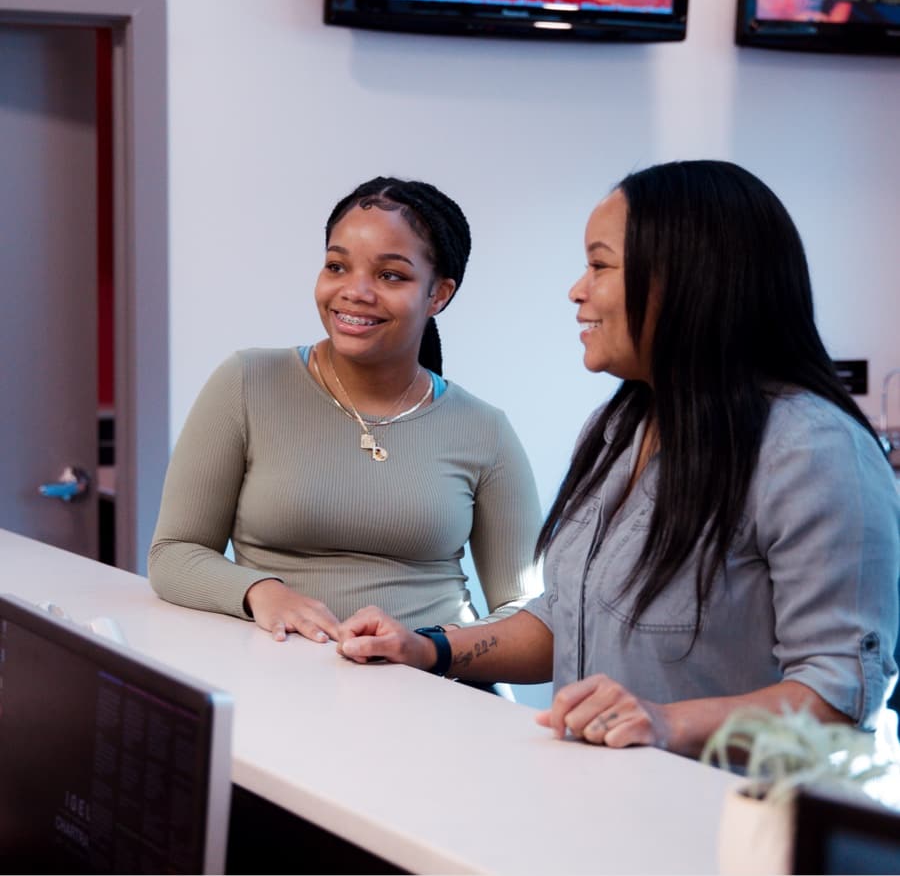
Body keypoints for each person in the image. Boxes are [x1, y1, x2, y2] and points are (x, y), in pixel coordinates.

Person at [336, 160, 900, 758]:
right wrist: (431, 649)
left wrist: (665, 723)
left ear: (689, 276)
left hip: (729, 826)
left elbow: (839, 694)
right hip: (601, 803)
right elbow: (565, 621)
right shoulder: (618, 429)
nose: (577, 290)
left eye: (600, 265)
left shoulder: (813, 450)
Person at [148, 177, 543, 645]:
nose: (355, 291)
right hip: (278, 675)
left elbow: (528, 612)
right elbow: (175, 553)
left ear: (438, 295)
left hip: (434, 684)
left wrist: (433, 649)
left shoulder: (485, 429)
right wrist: (261, 591)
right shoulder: (247, 382)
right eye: (337, 266)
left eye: (390, 275)